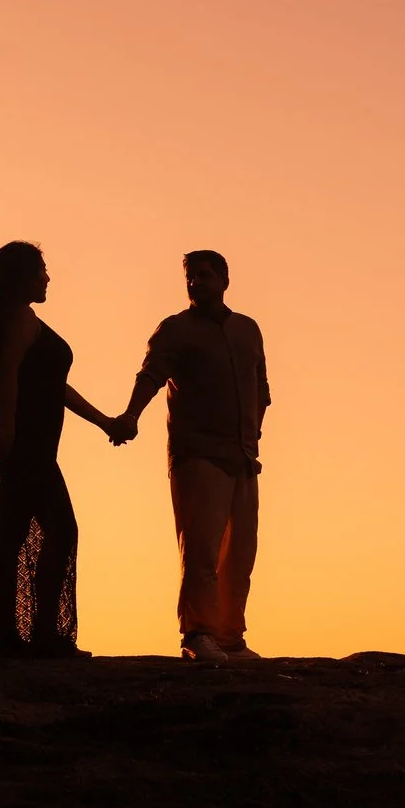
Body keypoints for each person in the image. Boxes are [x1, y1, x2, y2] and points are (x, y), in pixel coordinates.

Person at [110, 249, 272, 663]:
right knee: (201, 549)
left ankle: (231, 637)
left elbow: (262, 389)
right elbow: (150, 374)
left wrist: (253, 435)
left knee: (240, 553)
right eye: (190, 277)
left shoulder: (248, 330)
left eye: (204, 275)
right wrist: (131, 415)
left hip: (242, 457)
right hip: (197, 453)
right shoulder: (176, 329)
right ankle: (198, 633)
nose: (196, 282)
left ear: (224, 280)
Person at [0, 241, 121, 656]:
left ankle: (24, 637)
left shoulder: (26, 320)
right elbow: (7, 376)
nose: (48, 278)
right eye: (41, 271)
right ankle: (34, 637)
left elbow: (55, 387)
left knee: (18, 534)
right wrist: (8, 430)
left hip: (32, 443)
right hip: (23, 443)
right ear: (24, 277)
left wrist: (104, 420)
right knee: (48, 530)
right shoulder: (21, 319)